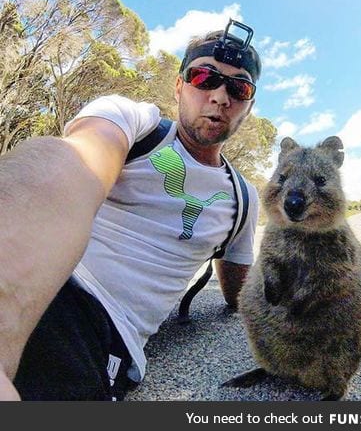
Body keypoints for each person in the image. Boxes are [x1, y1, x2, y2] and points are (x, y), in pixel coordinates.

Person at [0, 21, 261, 401]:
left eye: (239, 87)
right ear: (178, 86)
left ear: (248, 107)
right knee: (53, 154)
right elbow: (73, 162)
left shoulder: (243, 198)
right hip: (43, 272)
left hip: (97, 327)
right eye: (204, 77)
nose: (220, 96)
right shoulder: (133, 121)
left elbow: (239, 294)